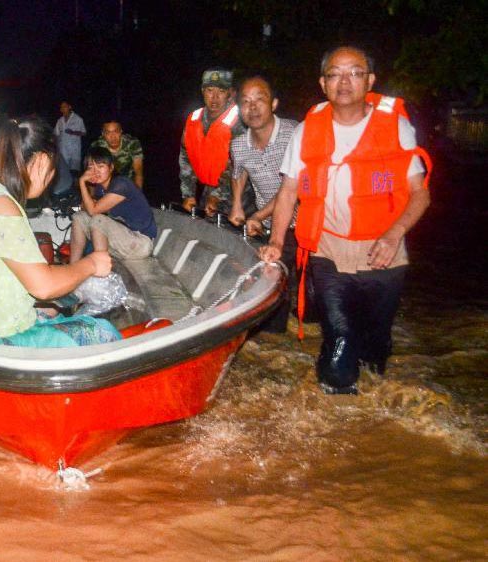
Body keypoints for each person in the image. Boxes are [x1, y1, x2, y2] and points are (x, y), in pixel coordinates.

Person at [259, 46, 431, 395]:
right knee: (339, 341)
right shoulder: (306, 130)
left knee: (375, 346)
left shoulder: (396, 127)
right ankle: (335, 400)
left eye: (355, 72)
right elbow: (288, 191)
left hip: (384, 250)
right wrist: (276, 242)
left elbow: (420, 193)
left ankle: (372, 412)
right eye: (335, 74)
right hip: (328, 249)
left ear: (370, 80)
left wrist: (395, 234)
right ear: (323, 84)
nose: (345, 81)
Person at [0, 117, 121, 347]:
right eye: (53, 167)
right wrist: (92, 263)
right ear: (42, 160)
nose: (52, 177)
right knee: (103, 332)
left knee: (53, 311)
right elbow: (44, 286)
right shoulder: (2, 207)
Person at [228, 75, 299, 332]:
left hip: (305, 220)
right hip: (270, 225)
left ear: (274, 103)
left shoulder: (294, 133)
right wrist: (237, 205)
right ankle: (275, 334)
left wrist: (257, 215)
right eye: (246, 102)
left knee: (312, 296)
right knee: (273, 278)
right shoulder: (238, 144)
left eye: (260, 99)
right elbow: (238, 173)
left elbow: (291, 187)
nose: (253, 107)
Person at [178, 68, 251, 218]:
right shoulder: (193, 119)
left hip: (239, 193)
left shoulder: (240, 121)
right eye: (210, 90)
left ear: (229, 93)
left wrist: (217, 195)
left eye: (221, 91)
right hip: (210, 190)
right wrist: (188, 194)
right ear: (203, 91)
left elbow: (238, 164)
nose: (215, 98)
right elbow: (185, 158)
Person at [70, 146, 156, 262]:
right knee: (79, 217)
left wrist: (81, 182)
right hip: (122, 239)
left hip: (140, 242)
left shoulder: (121, 184)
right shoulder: (101, 188)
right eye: (91, 168)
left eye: (100, 166)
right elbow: (84, 207)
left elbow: (93, 210)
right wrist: (87, 188)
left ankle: (101, 267)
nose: (95, 172)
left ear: (111, 167)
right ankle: (73, 266)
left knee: (98, 220)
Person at [89, 120, 144, 188]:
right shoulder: (96, 146)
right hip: (106, 183)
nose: (113, 137)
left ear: (121, 131)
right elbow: (91, 172)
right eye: (108, 132)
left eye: (116, 131)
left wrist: (138, 192)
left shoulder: (132, 143)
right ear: (103, 134)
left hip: (128, 182)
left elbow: (138, 170)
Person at [54, 101, 86, 176]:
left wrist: (73, 132)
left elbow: (84, 133)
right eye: (61, 107)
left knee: (74, 172)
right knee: (63, 172)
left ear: (69, 107)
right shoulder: (59, 121)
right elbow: (56, 134)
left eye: (65, 106)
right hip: (63, 151)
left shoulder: (78, 119)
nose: (63, 109)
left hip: (74, 150)